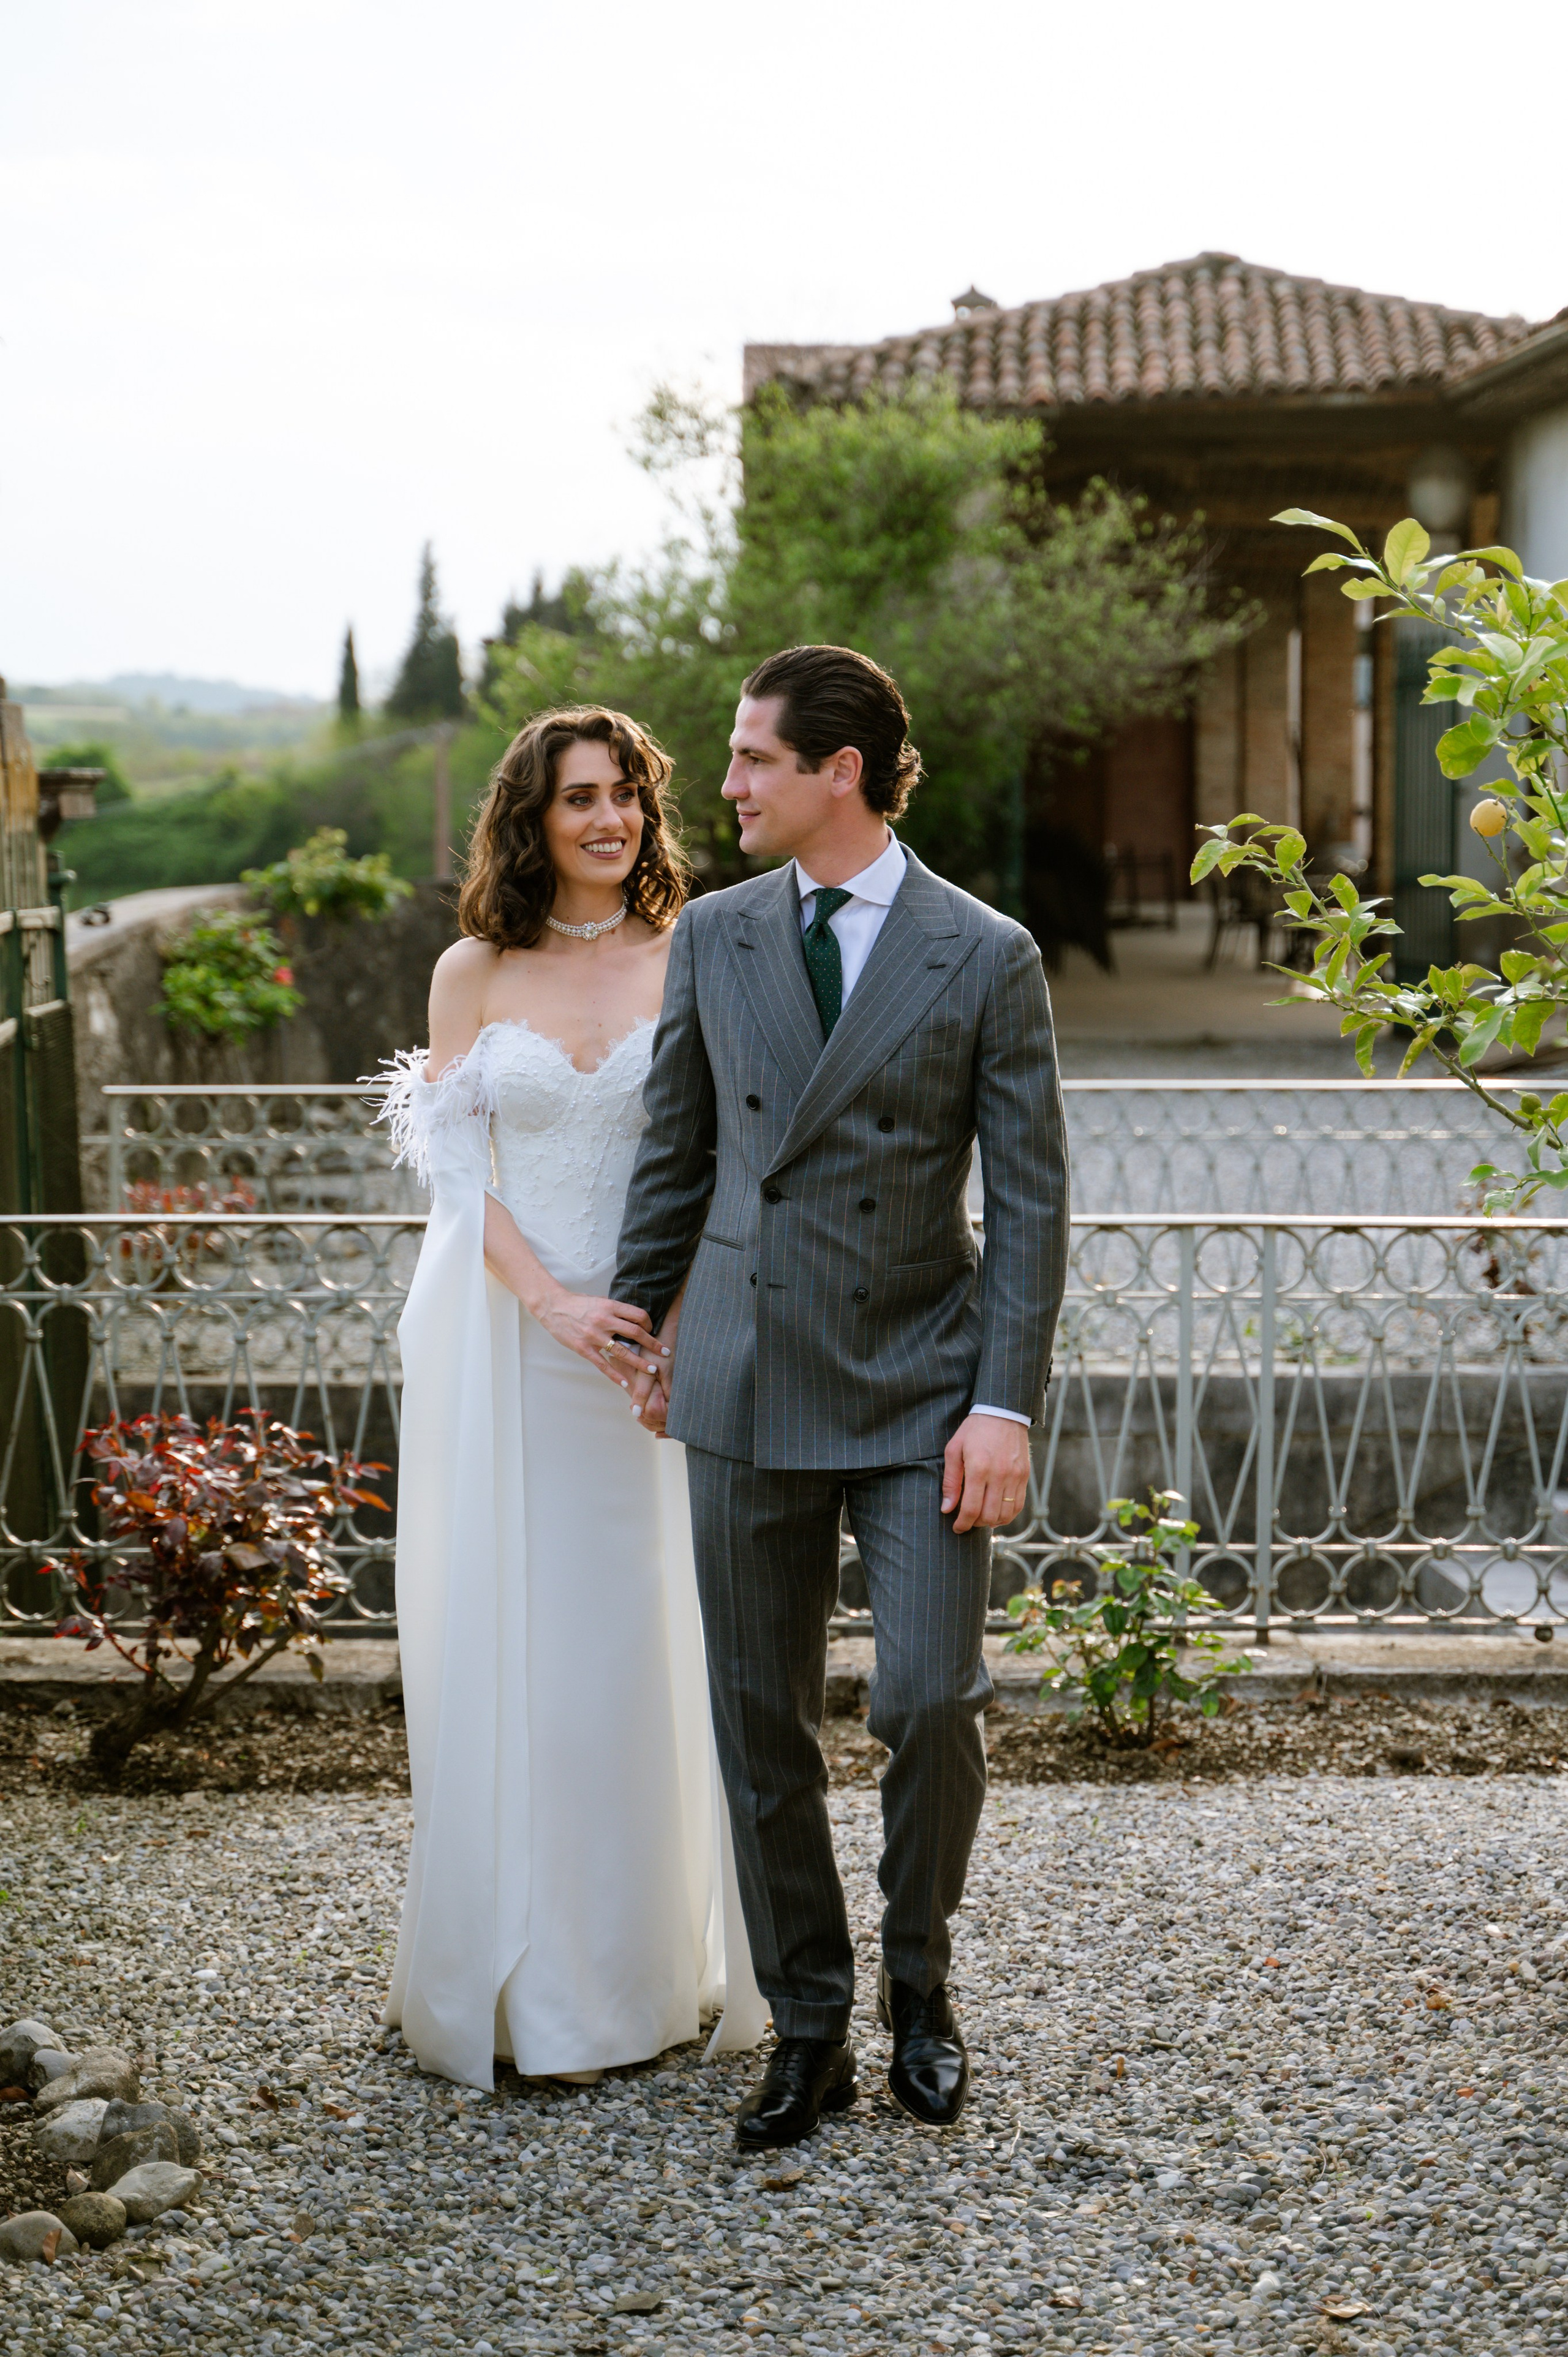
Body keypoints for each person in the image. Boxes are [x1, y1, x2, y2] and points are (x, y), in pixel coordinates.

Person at [614, 645, 1068, 2149]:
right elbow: (675, 1149)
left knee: (931, 1699)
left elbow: (1031, 1204)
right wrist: (636, 1319)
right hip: (743, 1373)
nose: (724, 785)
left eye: (749, 760)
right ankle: (806, 2019)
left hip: (924, 1386)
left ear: (838, 775)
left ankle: (919, 1991)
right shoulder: (721, 935)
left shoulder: (984, 950)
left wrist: (1001, 1404)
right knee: (761, 1722)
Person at [374, 705, 766, 2090]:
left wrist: (671, 1322)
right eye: (577, 799)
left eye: (626, 797)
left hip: (662, 1354)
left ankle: (648, 1978)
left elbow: (731, 1156)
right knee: (521, 1653)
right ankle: (527, 1988)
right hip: (515, 1348)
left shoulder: (703, 950)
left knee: (646, 1655)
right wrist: (547, 1302)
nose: (608, 820)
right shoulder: (471, 970)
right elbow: (456, 1173)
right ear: (530, 820)